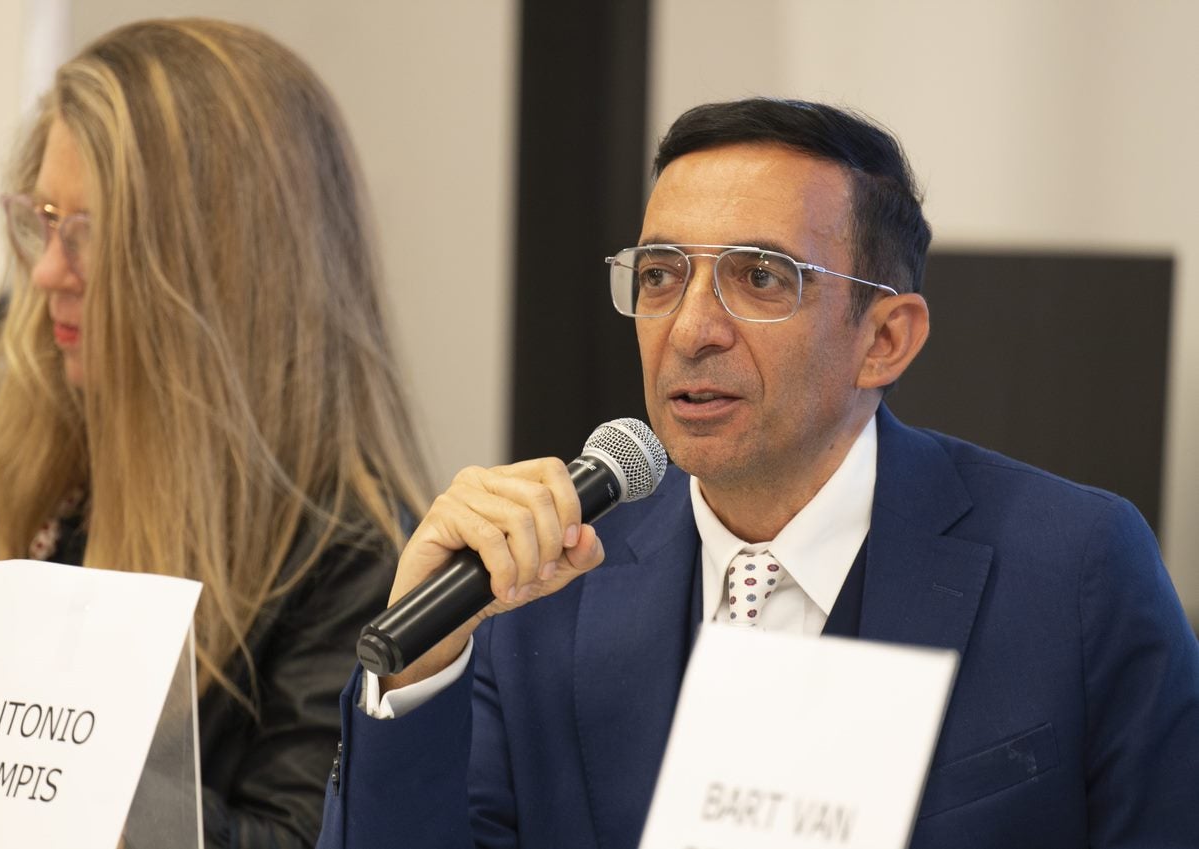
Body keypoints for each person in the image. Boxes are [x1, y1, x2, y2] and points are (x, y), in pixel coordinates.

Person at [316, 98, 1199, 849]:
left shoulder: (1075, 569)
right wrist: (420, 665)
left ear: (885, 339)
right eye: (660, 275)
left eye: (761, 278)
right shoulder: (545, 580)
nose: (690, 328)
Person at [0, 18, 430, 849]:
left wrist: (12, 721)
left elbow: (302, 840)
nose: (46, 271)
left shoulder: (354, 560)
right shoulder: (1, 474)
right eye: (45, 220)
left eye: (89, 234)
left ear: (218, 269)